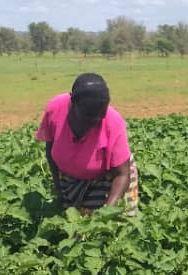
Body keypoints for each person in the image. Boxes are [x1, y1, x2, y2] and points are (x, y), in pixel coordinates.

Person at [36, 73, 139, 214]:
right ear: (73, 103)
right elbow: (50, 152)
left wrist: (106, 214)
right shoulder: (56, 109)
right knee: (75, 225)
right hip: (71, 179)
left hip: (110, 177)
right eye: (90, 114)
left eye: (101, 114)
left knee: (114, 226)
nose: (97, 120)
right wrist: (59, 191)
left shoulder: (113, 123)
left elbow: (122, 175)